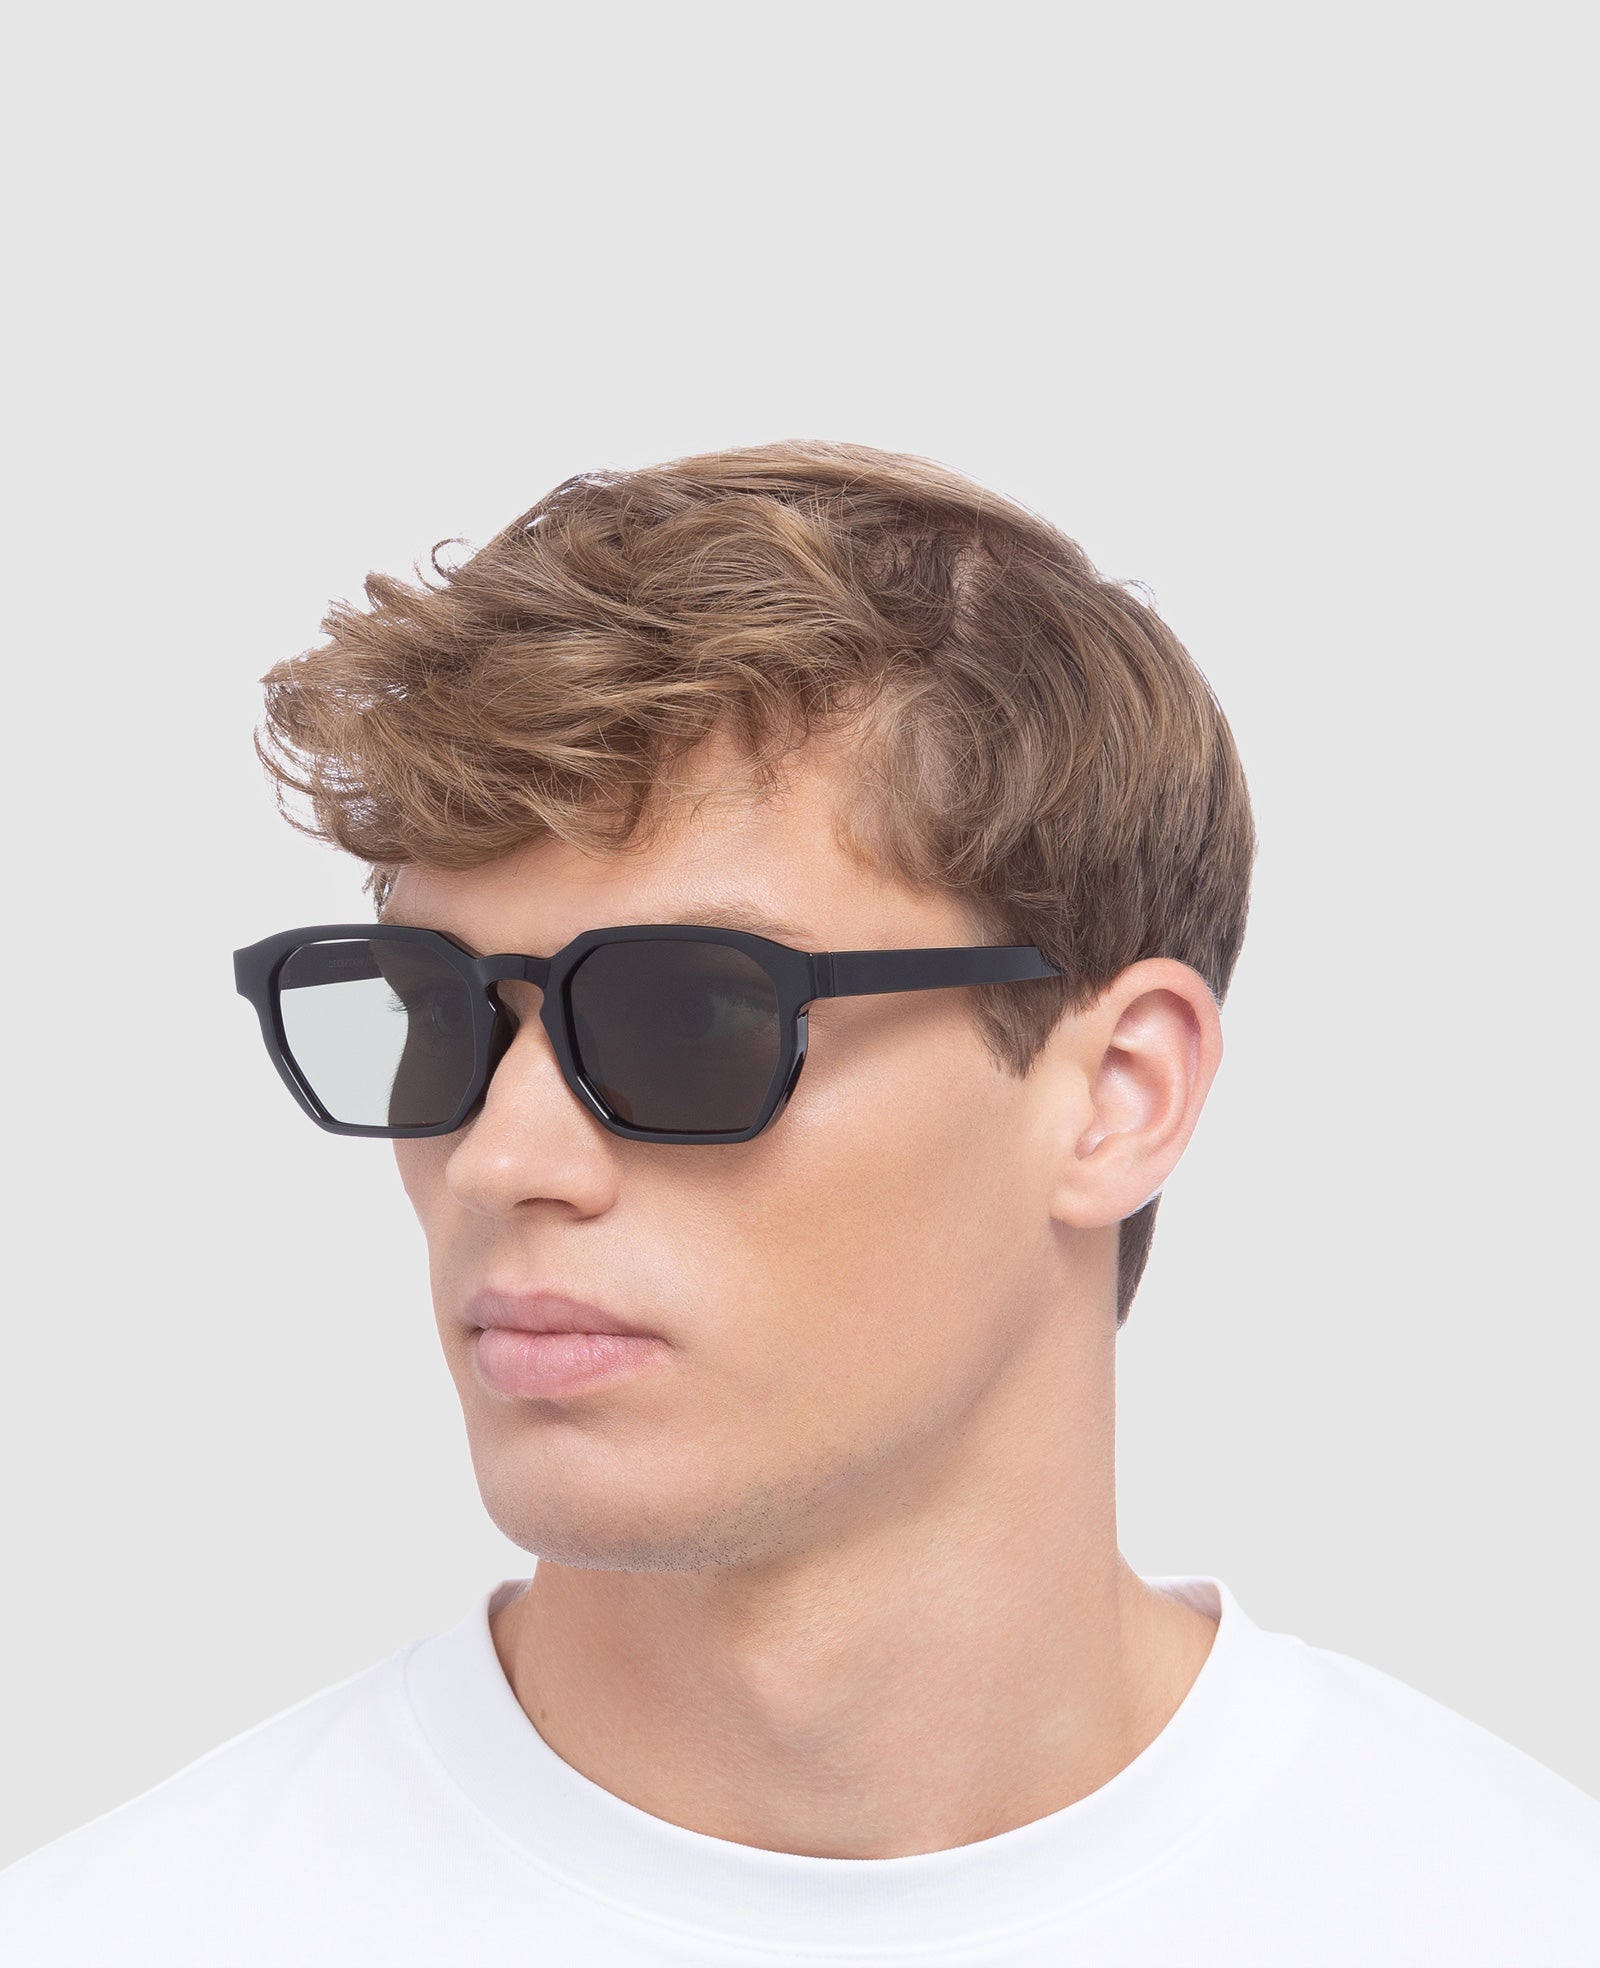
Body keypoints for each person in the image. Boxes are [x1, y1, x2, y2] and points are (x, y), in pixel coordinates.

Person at [4, 442, 1595, 1963]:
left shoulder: (1513, 1917)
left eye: (693, 1016)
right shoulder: (114, 1936)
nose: (500, 1158)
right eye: (439, 1013)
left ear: (1120, 1094)